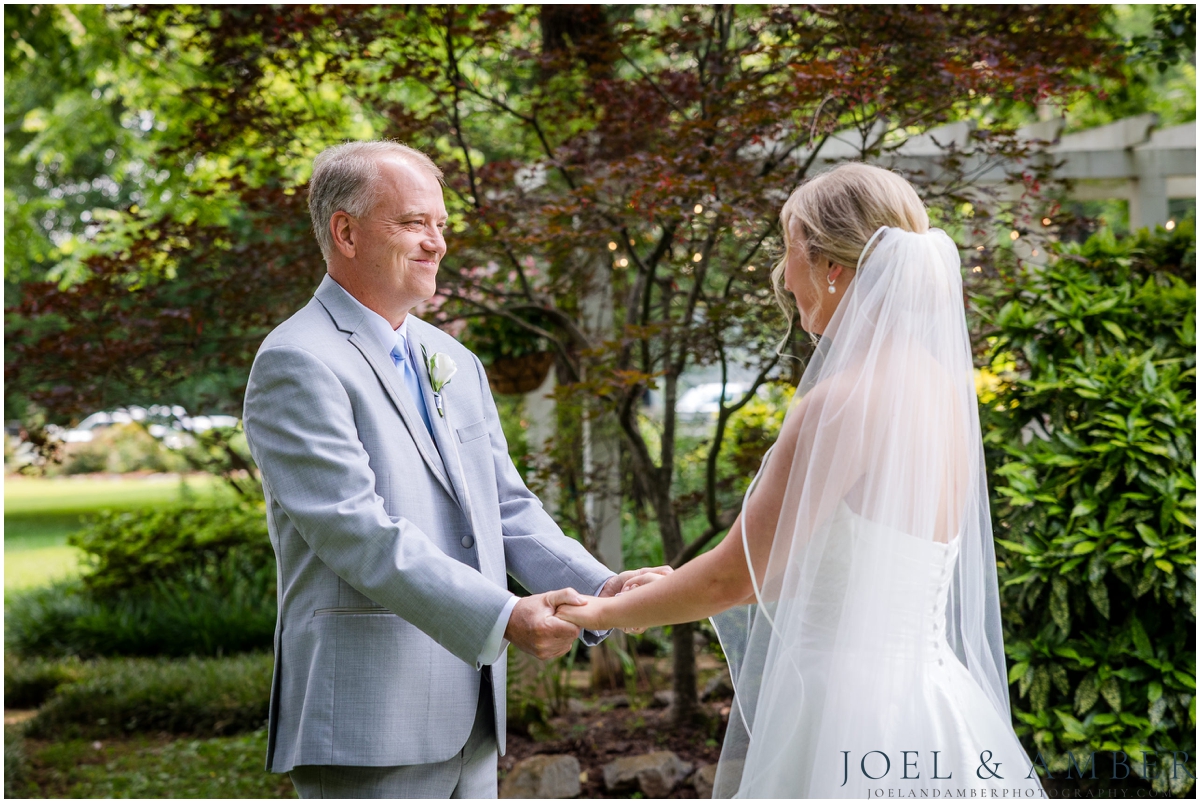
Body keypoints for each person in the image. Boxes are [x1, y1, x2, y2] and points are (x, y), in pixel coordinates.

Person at [556, 163, 1044, 798]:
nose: (784, 278)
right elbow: (824, 567)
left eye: (789, 253)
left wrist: (606, 610)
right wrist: (674, 583)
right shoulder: (938, 388)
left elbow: (736, 575)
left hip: (848, 717)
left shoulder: (843, 400)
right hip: (934, 708)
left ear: (832, 268)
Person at [242, 140, 669, 799]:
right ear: (345, 231)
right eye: (414, 222)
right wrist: (503, 616)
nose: (436, 243)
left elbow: (504, 505)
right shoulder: (297, 360)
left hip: (473, 719)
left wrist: (605, 590)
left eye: (441, 225)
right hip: (369, 718)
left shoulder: (452, 358)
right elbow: (358, 532)